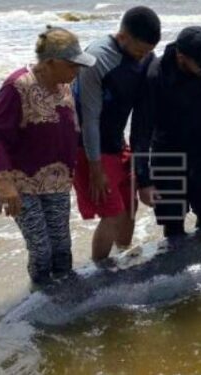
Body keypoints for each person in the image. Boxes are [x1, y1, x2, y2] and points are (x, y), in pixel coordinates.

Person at [0, 26, 96, 285]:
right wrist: (3, 181)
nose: (77, 71)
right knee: (42, 251)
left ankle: (66, 303)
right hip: (23, 184)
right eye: (72, 65)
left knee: (62, 250)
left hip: (57, 182)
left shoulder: (64, 85)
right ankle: (40, 310)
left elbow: (70, 132)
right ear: (52, 62)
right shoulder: (18, 86)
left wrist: (91, 168)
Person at [73, 6, 161, 261]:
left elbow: (143, 119)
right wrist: (96, 169)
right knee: (112, 214)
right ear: (122, 37)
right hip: (89, 148)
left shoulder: (144, 56)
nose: (144, 56)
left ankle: (122, 256)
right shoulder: (95, 60)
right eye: (140, 51)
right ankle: (99, 273)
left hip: (116, 142)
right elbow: (89, 120)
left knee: (130, 207)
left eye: (148, 51)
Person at [133, 26, 201, 238]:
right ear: (181, 57)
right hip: (169, 157)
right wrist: (144, 181)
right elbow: (141, 131)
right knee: (173, 226)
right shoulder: (155, 75)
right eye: (200, 64)